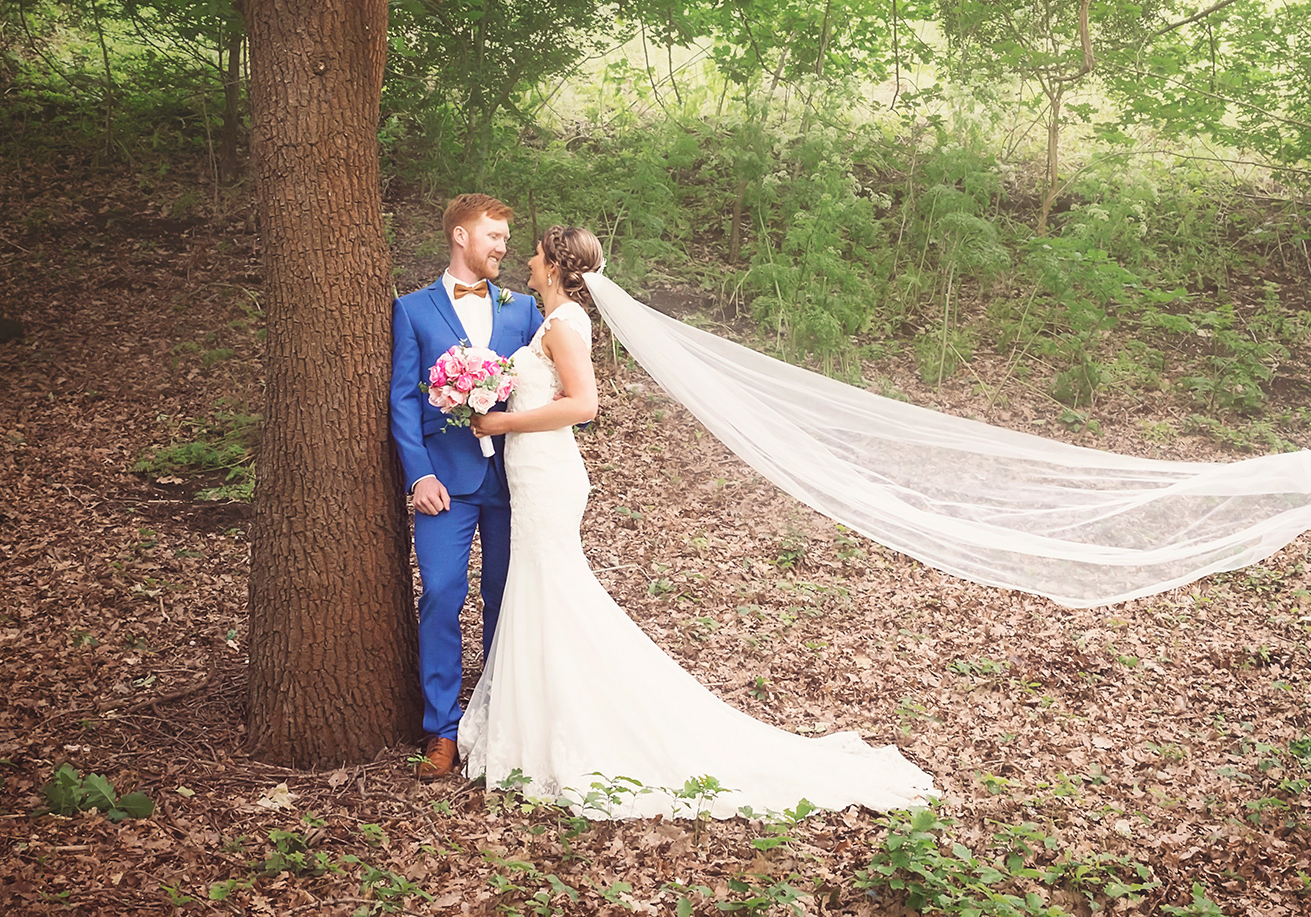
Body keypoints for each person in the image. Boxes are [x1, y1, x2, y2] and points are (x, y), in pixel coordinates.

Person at [459, 225, 934, 817]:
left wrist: (501, 424)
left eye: (534, 254)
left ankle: (576, 727)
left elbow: (584, 406)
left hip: (548, 475)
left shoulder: (567, 325)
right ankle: (537, 722)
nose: (526, 262)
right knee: (540, 593)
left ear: (553, 267)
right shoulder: (550, 323)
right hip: (531, 475)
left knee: (552, 592)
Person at [390, 194, 545, 781]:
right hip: (444, 485)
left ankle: (499, 722)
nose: (503, 248)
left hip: (513, 480)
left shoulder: (523, 308)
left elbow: (544, 386)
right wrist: (418, 472)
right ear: (460, 236)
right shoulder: (413, 309)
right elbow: (403, 397)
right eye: (494, 237)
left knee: (508, 599)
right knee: (441, 596)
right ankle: (443, 730)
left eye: (507, 239)